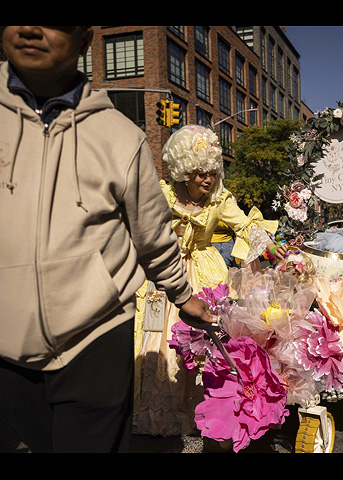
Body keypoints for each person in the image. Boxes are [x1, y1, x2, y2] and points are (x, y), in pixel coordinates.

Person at [0, 26, 215, 453]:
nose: (29, 28)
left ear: (84, 41)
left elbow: (151, 234)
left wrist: (183, 294)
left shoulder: (122, 136)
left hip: (97, 334)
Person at [135, 124, 287, 437]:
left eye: (212, 172)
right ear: (185, 170)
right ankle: (152, 414)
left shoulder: (219, 200)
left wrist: (269, 243)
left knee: (200, 343)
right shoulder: (163, 194)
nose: (208, 179)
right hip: (163, 275)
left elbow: (245, 226)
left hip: (203, 275)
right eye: (200, 172)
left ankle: (199, 412)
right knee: (156, 340)